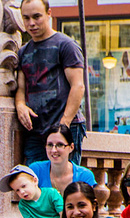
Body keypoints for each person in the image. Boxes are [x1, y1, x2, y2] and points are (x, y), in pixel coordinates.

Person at [16, 0, 87, 165]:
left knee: (65, 183)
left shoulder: (66, 45)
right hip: (35, 130)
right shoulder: (22, 51)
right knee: (33, 183)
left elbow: (78, 86)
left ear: (49, 13)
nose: (31, 23)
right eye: (26, 18)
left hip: (66, 125)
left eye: (37, 17)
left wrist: (64, 125)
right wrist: (20, 105)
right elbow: (20, 88)